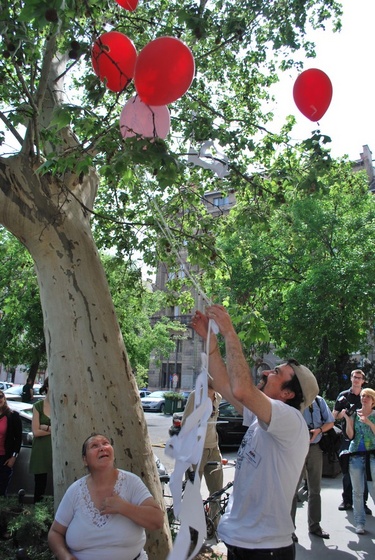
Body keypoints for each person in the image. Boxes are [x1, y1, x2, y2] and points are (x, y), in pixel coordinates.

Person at [191, 305, 319, 560]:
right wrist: (211, 342)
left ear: (287, 394)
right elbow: (225, 385)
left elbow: (241, 390)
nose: (265, 372)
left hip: (266, 550)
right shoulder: (261, 417)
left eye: (276, 373)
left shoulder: (290, 420)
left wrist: (230, 332)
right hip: (242, 543)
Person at [48, 433, 164, 560]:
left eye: (106, 443)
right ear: (85, 460)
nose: (102, 447)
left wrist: (123, 507)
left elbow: (157, 521)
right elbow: (55, 533)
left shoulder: (131, 482)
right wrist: (65, 556)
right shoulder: (75, 491)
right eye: (94, 445)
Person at [291, 395, 334, 541]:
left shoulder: (318, 400)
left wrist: (319, 430)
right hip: (295, 448)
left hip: (315, 447)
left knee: (315, 489)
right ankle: (289, 529)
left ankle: (315, 525)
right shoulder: (291, 399)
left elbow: (330, 422)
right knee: (291, 491)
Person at [181, 383, 223, 521]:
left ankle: (213, 526)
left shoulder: (219, 397)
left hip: (214, 449)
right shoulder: (196, 395)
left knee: (217, 491)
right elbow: (185, 423)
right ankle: (191, 530)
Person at [333, 369, 371, 514]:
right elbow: (333, 415)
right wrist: (341, 415)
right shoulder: (343, 396)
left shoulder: (367, 396)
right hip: (347, 437)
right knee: (347, 470)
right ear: (351, 378)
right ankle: (347, 500)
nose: (356, 380)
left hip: (364, 438)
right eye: (354, 377)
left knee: (364, 471)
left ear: (363, 381)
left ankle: (363, 503)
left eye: (359, 378)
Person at [344, 387, 375, 534]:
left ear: (373, 401)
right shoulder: (355, 414)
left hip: (372, 456)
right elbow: (350, 436)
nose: (364, 398)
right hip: (355, 454)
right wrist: (348, 421)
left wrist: (369, 422)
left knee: (374, 490)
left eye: (368, 396)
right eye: (363, 396)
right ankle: (360, 523)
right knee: (357, 492)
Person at [29, 377, 52, 502]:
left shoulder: (62, 406)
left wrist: (47, 427)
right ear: (47, 387)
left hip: (57, 452)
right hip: (41, 451)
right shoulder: (38, 406)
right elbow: (36, 432)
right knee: (40, 486)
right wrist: (53, 430)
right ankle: (37, 514)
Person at [0, 390, 22, 496]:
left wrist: (13, 457)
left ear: (4, 398)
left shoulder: (13, 416)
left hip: (4, 459)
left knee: (1, 491)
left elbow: (18, 439)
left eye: (1, 396)